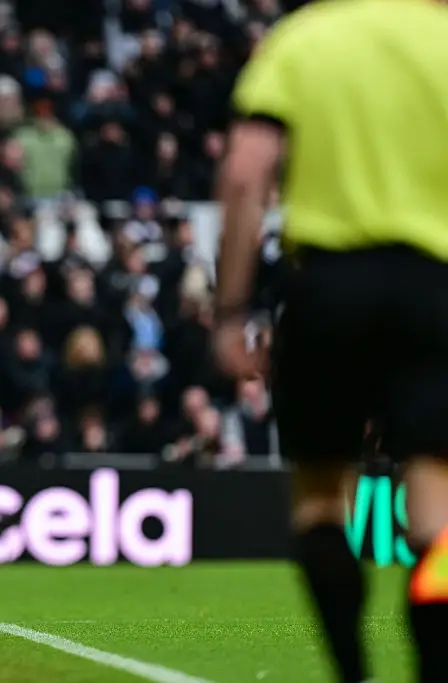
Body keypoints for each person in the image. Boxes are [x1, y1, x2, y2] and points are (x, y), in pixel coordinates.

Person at [212, 1, 448, 682]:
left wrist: (230, 312)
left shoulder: (303, 40)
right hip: (435, 288)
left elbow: (245, 172)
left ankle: (352, 671)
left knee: (320, 497)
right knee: (436, 505)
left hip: (327, 286)